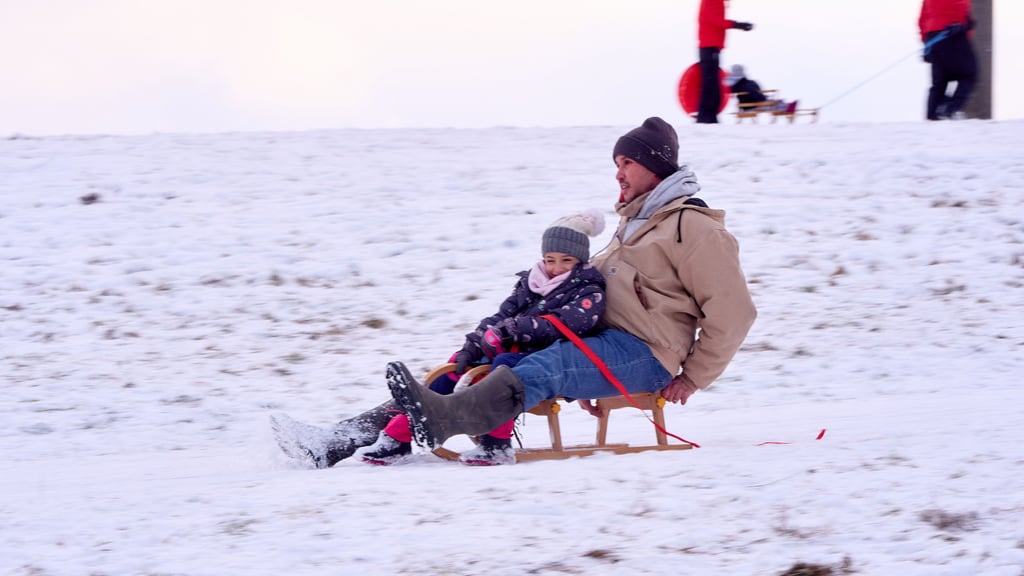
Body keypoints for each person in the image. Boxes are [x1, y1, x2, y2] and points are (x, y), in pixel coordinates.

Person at [385, 117, 758, 455]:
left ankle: (444, 417)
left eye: (627, 163)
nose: (618, 174)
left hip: (648, 354)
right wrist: (586, 374)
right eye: (617, 164)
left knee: (551, 364)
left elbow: (734, 312)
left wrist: (693, 378)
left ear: (655, 168)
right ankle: (360, 434)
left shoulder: (694, 228)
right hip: (601, 346)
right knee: (491, 356)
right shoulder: (634, 226)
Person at [271, 211, 607, 468]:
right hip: (508, 347)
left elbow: (569, 322)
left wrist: (515, 330)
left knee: (502, 370)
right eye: (550, 260)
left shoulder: (587, 289)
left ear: (580, 262)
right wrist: (473, 344)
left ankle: (496, 444)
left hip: (543, 360)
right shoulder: (530, 283)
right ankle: (390, 440)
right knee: (449, 373)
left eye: (566, 262)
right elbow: (499, 316)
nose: (556, 268)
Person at [696, 0, 754, 124]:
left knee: (712, 84)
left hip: (710, 47)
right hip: (709, 46)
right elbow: (716, 20)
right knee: (710, 85)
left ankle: (709, 118)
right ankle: (706, 118)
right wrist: (738, 25)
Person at [919, 0, 976, 121]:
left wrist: (926, 43)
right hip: (952, 32)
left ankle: (931, 116)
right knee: (969, 74)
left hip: (932, 36)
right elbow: (959, 7)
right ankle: (949, 108)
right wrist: (965, 26)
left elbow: (922, 19)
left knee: (939, 82)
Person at [725, 64, 799, 114]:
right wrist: (763, 99)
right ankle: (787, 107)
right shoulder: (735, 82)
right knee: (769, 103)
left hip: (754, 100)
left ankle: (787, 106)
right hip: (749, 104)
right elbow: (750, 91)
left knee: (772, 102)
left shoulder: (743, 81)